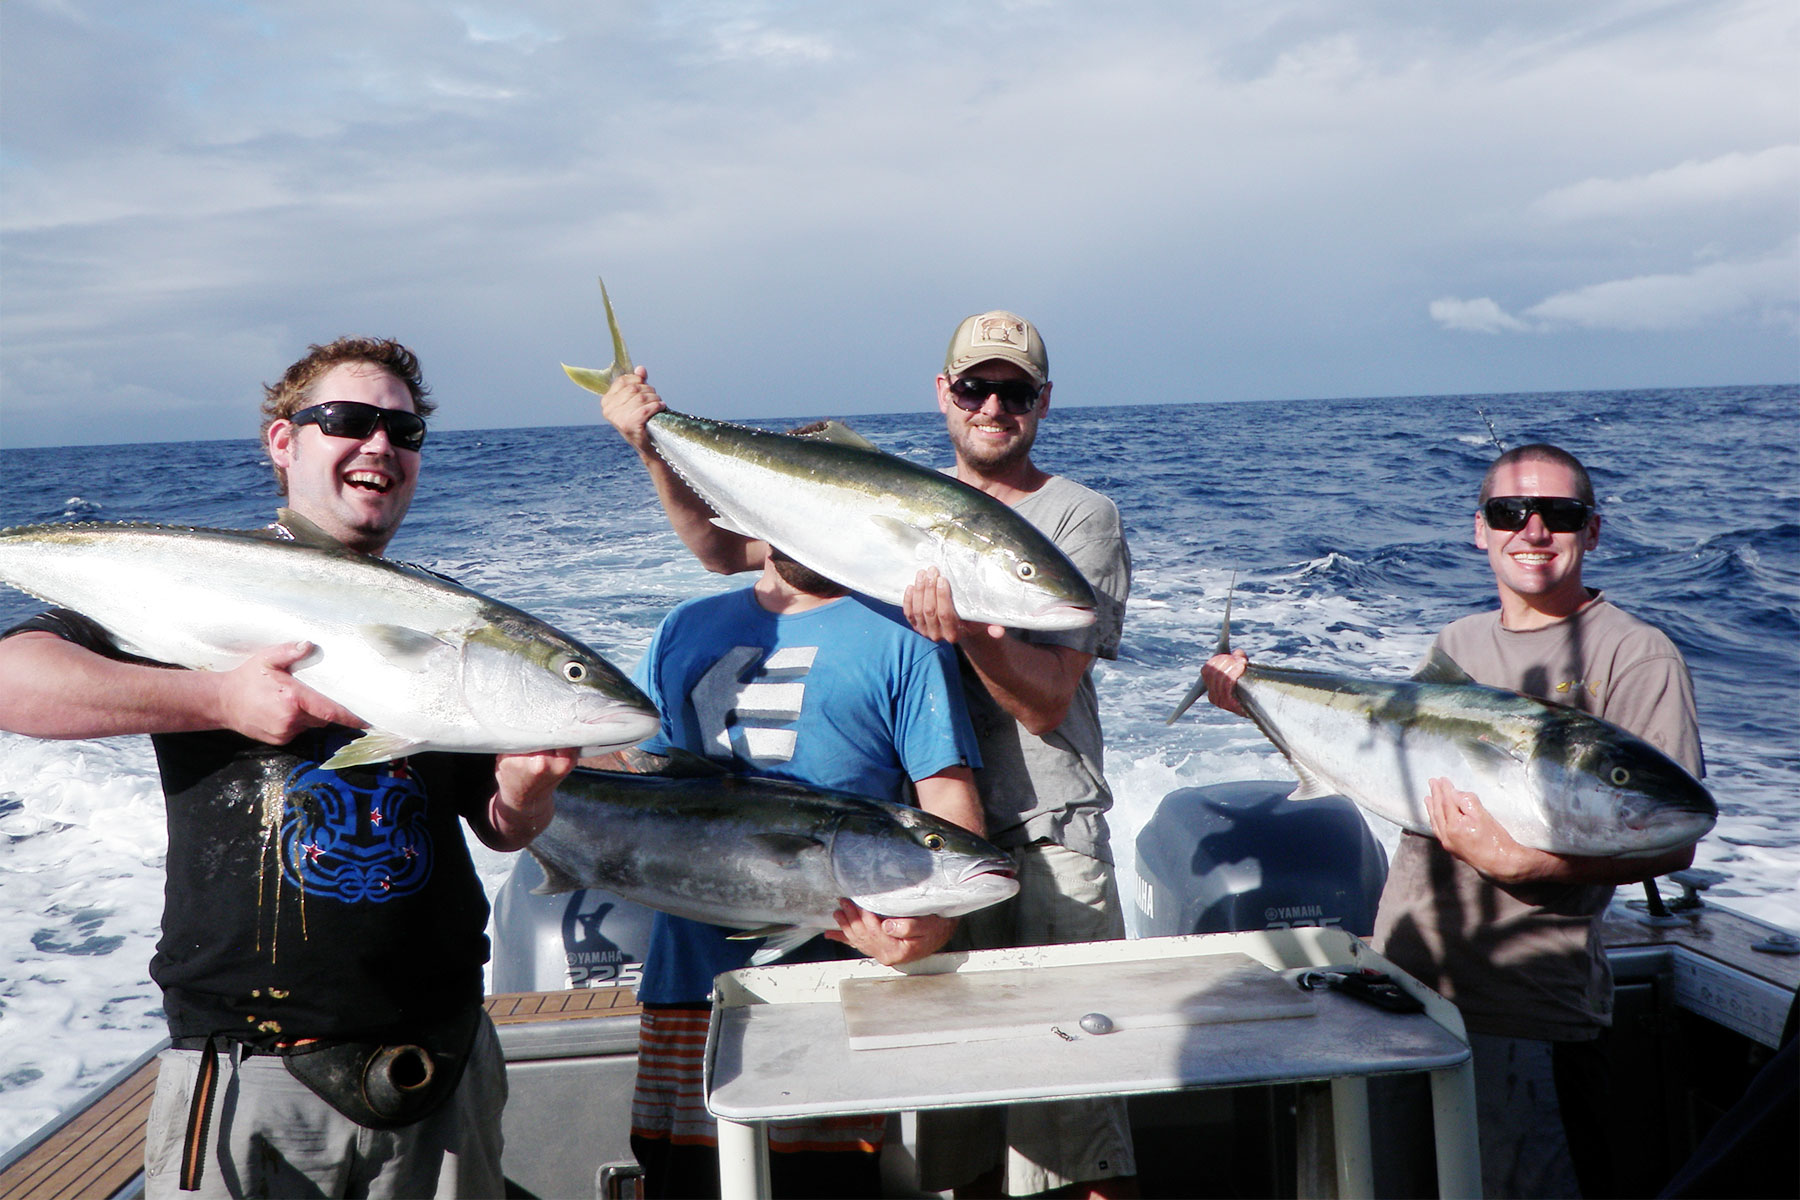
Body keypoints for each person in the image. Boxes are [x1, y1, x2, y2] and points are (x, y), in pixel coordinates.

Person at [0, 338, 577, 1199]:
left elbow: (494, 823)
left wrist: (525, 798)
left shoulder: (444, 621)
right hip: (247, 1061)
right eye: (348, 421)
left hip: (441, 1053)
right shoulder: (192, 586)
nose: (381, 444)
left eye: (404, 430)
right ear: (283, 442)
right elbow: (16, 684)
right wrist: (221, 699)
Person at [600, 310, 1136, 1199]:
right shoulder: (895, 493)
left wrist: (962, 626)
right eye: (975, 386)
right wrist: (651, 439)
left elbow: (1046, 700)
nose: (993, 405)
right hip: (911, 843)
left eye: (1014, 390)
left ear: (1043, 401)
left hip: (1041, 838)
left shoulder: (1078, 516)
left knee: (1071, 1118)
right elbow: (733, 548)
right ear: (944, 393)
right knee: (946, 1120)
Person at [1202, 442, 1705, 1199]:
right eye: (1510, 513)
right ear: (1481, 530)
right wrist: (1256, 699)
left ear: (1592, 531)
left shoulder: (1636, 654)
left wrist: (1524, 866)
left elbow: (1673, 836)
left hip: (1524, 1004)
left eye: (1559, 515)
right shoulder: (1459, 644)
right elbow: (1372, 752)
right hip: (1397, 980)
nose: (1533, 530)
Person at [588, 491, 985, 1199]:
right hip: (688, 988)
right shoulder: (686, 626)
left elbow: (948, 802)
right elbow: (644, 777)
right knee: (684, 1181)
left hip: (832, 989)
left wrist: (932, 925)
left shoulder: (903, 638)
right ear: (754, 514)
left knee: (825, 1184)